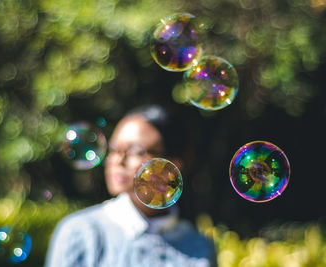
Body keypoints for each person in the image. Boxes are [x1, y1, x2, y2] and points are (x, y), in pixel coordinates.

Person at [45, 105, 217, 267]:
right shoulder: (81, 233)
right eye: (113, 150)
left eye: (135, 151)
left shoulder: (200, 247)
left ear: (174, 163)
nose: (118, 161)